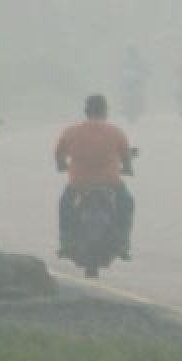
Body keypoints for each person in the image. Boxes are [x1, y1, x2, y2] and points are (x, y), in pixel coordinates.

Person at [54, 94, 135, 260]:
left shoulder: (71, 132)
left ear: (86, 111)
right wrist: (127, 168)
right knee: (127, 203)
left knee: (64, 205)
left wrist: (61, 165)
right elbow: (126, 157)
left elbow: (59, 153)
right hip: (110, 182)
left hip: (78, 182)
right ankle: (124, 241)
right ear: (105, 111)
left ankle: (66, 241)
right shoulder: (116, 132)